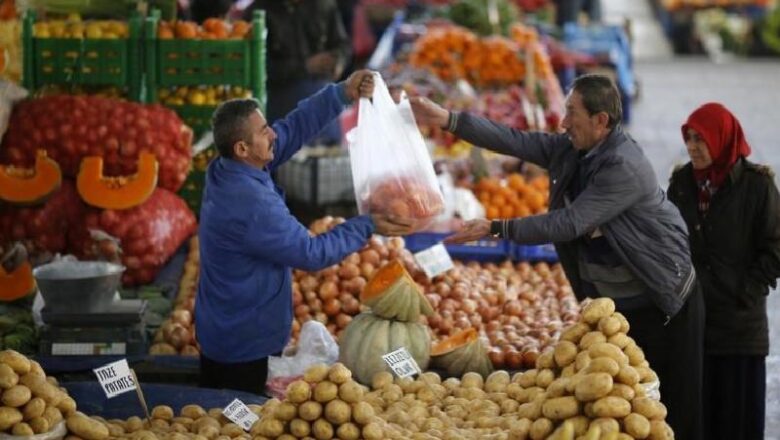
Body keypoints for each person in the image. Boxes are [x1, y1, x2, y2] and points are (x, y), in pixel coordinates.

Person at [410, 74, 703, 439]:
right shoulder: (572, 148)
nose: (563, 122)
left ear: (601, 121)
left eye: (572, 113)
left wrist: (497, 227)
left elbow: (571, 222)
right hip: (620, 306)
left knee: (668, 411)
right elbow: (514, 140)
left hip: (663, 302)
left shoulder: (622, 167)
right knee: (624, 411)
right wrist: (448, 120)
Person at [196, 70, 414, 395]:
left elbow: (291, 129)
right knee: (241, 423)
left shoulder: (230, 167)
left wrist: (341, 93)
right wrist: (367, 224)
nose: (272, 134)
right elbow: (311, 254)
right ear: (242, 147)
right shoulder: (251, 204)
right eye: (263, 131)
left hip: (223, 326)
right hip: (242, 347)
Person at [668, 102, 780, 440]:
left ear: (721, 138)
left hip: (739, 331)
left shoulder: (757, 187)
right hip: (695, 327)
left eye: (700, 139)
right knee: (698, 423)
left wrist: (745, 290)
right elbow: (668, 241)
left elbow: (776, 248)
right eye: (689, 138)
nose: (692, 148)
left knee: (737, 422)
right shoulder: (682, 183)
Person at [242, 0, 351, 144]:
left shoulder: (323, 5)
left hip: (323, 102)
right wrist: (305, 66)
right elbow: (258, 69)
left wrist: (338, 61)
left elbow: (342, 45)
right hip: (281, 103)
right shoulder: (258, 12)